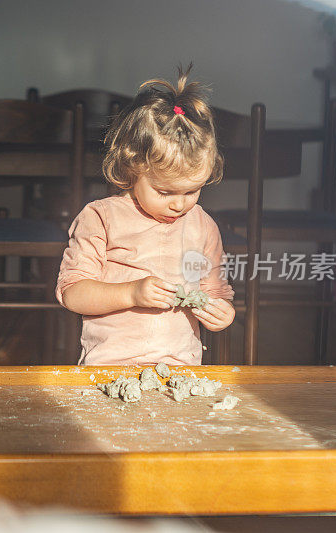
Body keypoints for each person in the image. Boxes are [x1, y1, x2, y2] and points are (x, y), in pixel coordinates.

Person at [56, 66, 234, 366]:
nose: (179, 205)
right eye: (164, 192)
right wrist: (132, 293)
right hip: (109, 365)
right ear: (132, 169)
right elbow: (73, 294)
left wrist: (222, 312)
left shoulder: (202, 225)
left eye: (192, 191)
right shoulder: (101, 218)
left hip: (180, 366)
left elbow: (215, 289)